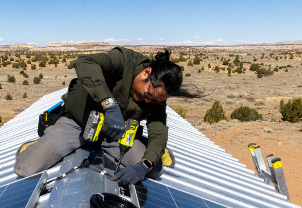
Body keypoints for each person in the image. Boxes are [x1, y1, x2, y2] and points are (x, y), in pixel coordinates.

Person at [14, 47, 193, 186]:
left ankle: (157, 151)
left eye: (155, 100)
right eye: (148, 94)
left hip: (115, 134)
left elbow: (159, 131)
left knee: (154, 170)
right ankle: (33, 145)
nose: (149, 100)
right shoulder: (124, 61)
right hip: (78, 124)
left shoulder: (156, 98)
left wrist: (144, 165)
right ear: (147, 72)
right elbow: (84, 63)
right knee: (25, 169)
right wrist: (109, 104)